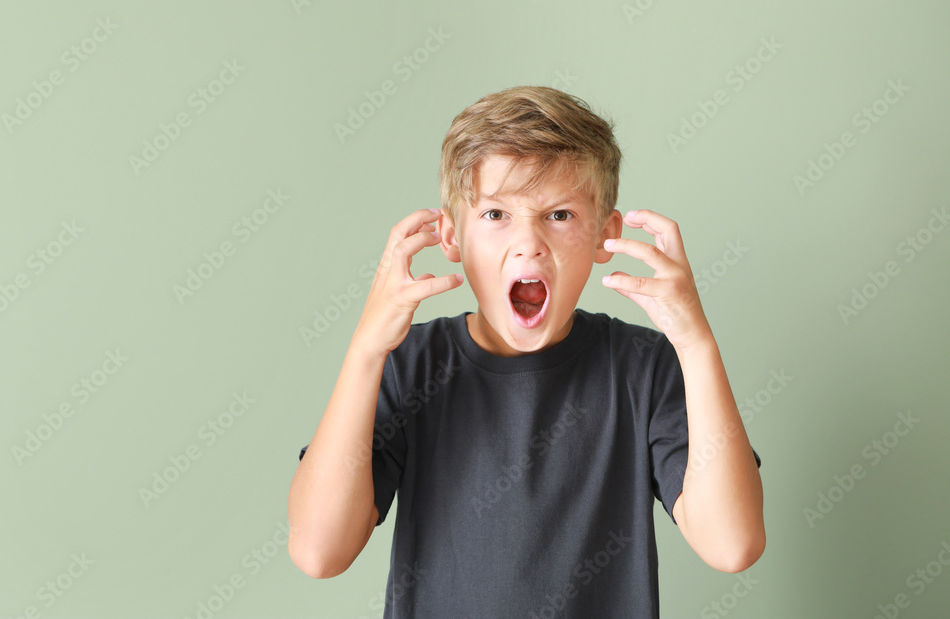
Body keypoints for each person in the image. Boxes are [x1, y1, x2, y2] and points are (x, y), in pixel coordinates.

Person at [288, 85, 764, 617]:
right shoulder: (409, 365)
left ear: (605, 237)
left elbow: (732, 545)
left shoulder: (644, 368)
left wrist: (696, 344)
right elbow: (317, 550)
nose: (529, 242)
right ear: (451, 237)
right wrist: (365, 351)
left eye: (559, 215)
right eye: (495, 215)